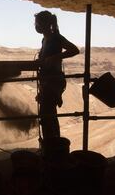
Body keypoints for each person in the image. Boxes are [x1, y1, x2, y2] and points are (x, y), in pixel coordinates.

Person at [35, 10, 79, 139]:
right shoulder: (44, 39)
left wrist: (55, 57)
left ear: (44, 23)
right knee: (47, 115)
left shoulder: (56, 37)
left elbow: (74, 50)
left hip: (53, 81)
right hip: (46, 82)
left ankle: (53, 146)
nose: (36, 26)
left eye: (37, 23)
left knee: (48, 115)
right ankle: (51, 145)